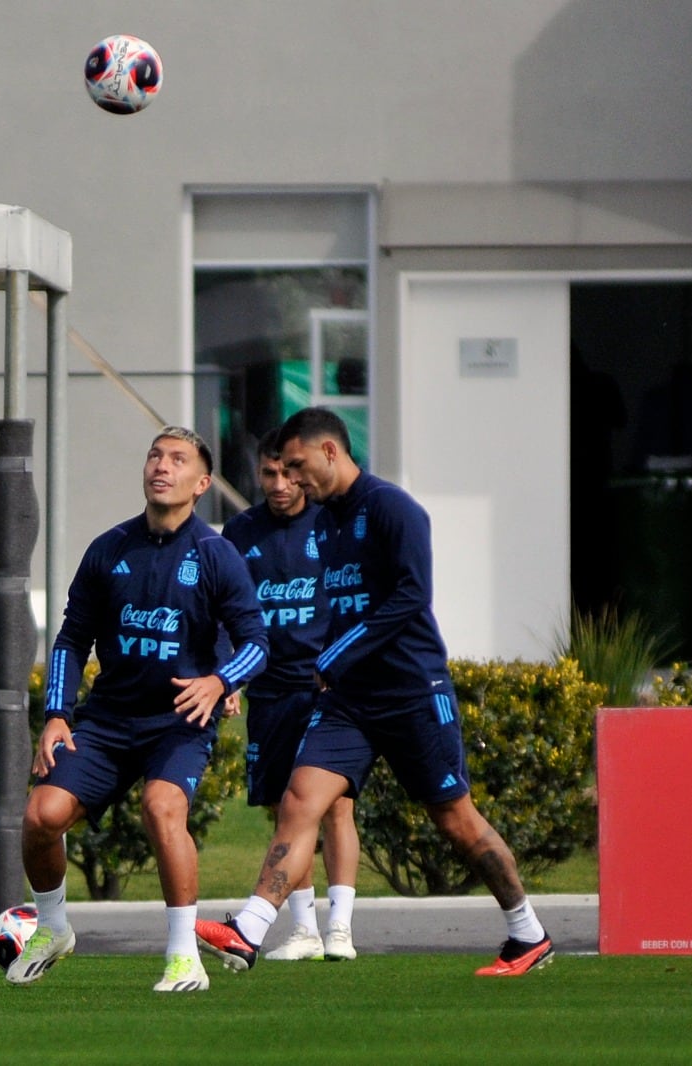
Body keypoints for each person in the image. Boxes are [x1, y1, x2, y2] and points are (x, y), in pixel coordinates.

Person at [197, 407, 553, 977]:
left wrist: (336, 654)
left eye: (298, 464)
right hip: (349, 701)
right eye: (279, 468)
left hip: (413, 690)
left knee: (455, 819)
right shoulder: (328, 521)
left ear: (330, 452)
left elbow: (412, 595)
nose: (291, 478)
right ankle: (249, 930)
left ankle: (527, 932)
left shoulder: (392, 508)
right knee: (298, 800)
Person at [8, 426, 269, 993]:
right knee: (39, 818)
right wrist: (57, 714)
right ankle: (52, 928)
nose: (161, 466)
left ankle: (183, 958)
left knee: (161, 807)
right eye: (154, 455)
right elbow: (71, 640)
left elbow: (257, 643)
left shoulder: (216, 555)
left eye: (178, 460)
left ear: (201, 483)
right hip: (107, 721)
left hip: (177, 724)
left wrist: (220, 681)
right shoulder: (108, 549)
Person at [220, 430, 361, 961]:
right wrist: (227, 674)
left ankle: (341, 930)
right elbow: (221, 609)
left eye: (287, 473)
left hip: (327, 689)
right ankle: (303, 930)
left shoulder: (331, 524)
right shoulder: (239, 531)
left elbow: (357, 601)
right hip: (271, 690)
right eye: (268, 474)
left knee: (336, 808)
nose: (280, 485)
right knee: (285, 812)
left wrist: (342, 664)